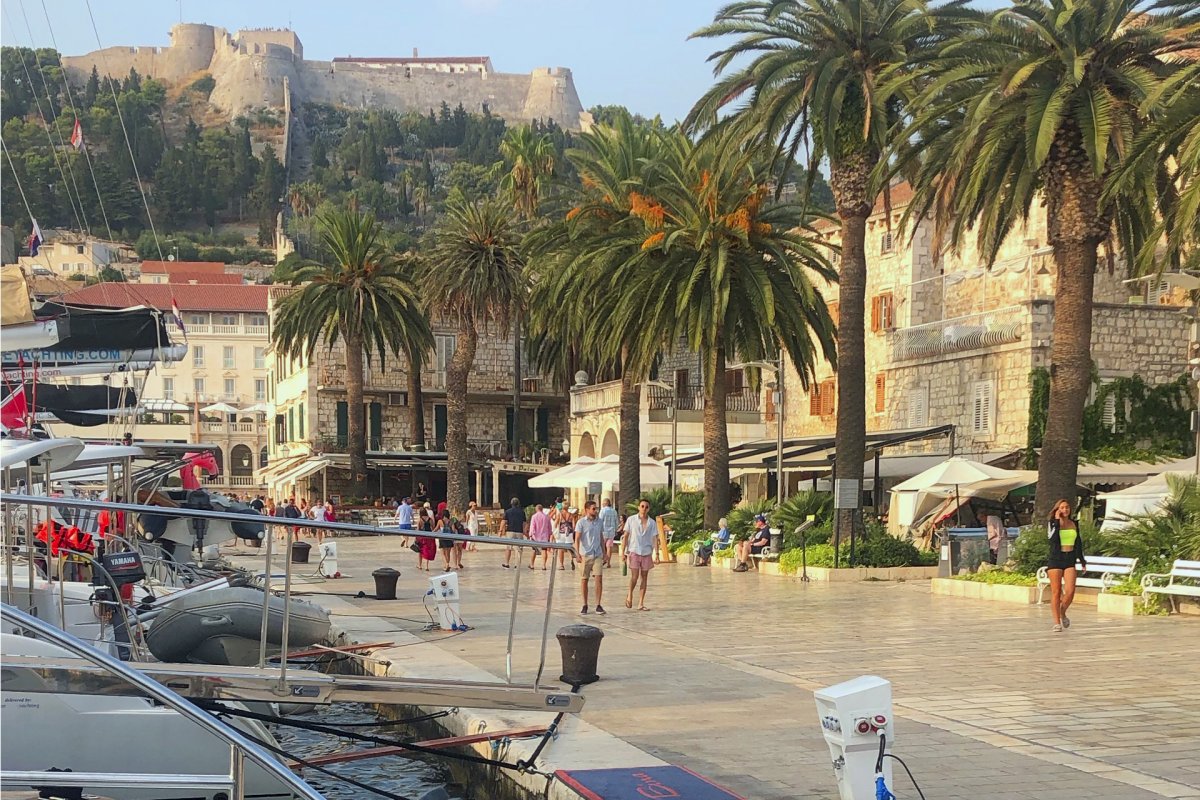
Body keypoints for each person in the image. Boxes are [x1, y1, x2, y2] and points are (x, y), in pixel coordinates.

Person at [1047, 499, 1086, 632]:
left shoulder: (1074, 523)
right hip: (1056, 558)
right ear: (1058, 509)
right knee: (1056, 592)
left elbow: (1078, 542)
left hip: (1069, 558)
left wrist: (1081, 559)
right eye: (1062, 507)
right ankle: (1057, 622)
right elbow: (1052, 540)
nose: (1065, 510)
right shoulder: (1052, 523)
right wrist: (1057, 522)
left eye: (1067, 507)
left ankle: (1062, 611)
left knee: (1070, 591)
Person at [624, 499, 657, 611]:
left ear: (649, 509)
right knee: (634, 576)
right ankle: (630, 594)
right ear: (638, 507)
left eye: (646, 507)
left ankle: (641, 603)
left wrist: (656, 553)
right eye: (642, 506)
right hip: (634, 551)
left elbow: (655, 538)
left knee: (644, 577)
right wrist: (624, 551)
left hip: (646, 552)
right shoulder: (631, 520)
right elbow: (626, 535)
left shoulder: (652, 523)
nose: (644, 508)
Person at [575, 500, 607, 615]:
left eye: (596, 508)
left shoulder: (599, 522)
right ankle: (585, 604)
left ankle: (598, 604)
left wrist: (605, 553)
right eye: (593, 509)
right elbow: (577, 538)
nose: (596, 511)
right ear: (587, 510)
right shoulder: (581, 522)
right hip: (585, 554)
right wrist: (577, 553)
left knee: (599, 578)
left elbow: (601, 537)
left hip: (597, 553)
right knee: (584, 579)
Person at [499, 497, 527, 569]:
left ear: (511, 504)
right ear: (518, 504)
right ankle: (517, 564)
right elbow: (524, 523)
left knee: (508, 548)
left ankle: (507, 563)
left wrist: (500, 530)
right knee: (519, 548)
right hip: (519, 531)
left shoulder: (508, 511)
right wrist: (524, 531)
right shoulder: (522, 512)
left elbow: (504, 521)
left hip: (510, 531)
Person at [528, 503, 552, 569]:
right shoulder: (546, 517)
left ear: (536, 509)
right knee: (544, 550)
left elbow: (532, 527)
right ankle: (543, 565)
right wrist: (550, 534)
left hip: (535, 536)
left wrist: (530, 535)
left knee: (534, 550)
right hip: (544, 536)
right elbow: (549, 527)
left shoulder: (534, 516)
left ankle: (532, 564)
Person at [598, 498, 619, 567]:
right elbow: (616, 522)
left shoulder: (603, 511)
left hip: (604, 531)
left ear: (604, 504)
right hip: (611, 531)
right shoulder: (614, 511)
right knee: (609, 547)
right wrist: (616, 530)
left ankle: (602, 560)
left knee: (602, 546)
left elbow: (600, 521)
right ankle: (608, 563)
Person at [555, 507, 577, 572]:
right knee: (570, 548)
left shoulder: (560, 514)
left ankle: (561, 565)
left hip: (561, 533)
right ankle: (571, 560)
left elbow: (556, 524)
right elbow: (574, 526)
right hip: (569, 533)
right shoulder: (571, 515)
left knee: (560, 550)